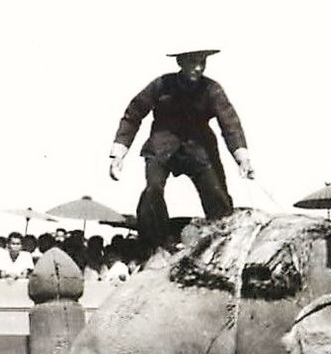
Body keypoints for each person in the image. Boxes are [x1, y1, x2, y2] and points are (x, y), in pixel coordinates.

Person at [108, 49, 255, 257]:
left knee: (217, 194)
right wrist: (118, 154)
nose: (198, 67)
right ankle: (155, 245)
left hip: (199, 149)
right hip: (162, 147)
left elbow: (230, 123)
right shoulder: (161, 85)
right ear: (180, 62)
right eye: (193, 62)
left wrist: (243, 159)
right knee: (153, 190)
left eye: (202, 62)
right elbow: (133, 114)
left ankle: (225, 244)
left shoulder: (212, 89)